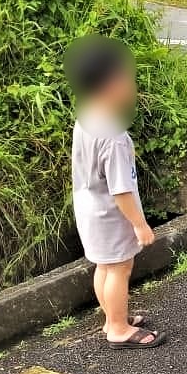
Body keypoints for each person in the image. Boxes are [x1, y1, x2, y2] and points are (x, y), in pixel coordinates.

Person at [64, 34, 166, 349]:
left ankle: (112, 318)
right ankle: (119, 329)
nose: (132, 86)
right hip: (110, 213)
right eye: (129, 79)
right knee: (120, 268)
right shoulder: (115, 138)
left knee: (105, 267)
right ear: (112, 86)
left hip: (88, 206)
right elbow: (121, 190)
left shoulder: (87, 117)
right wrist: (139, 224)